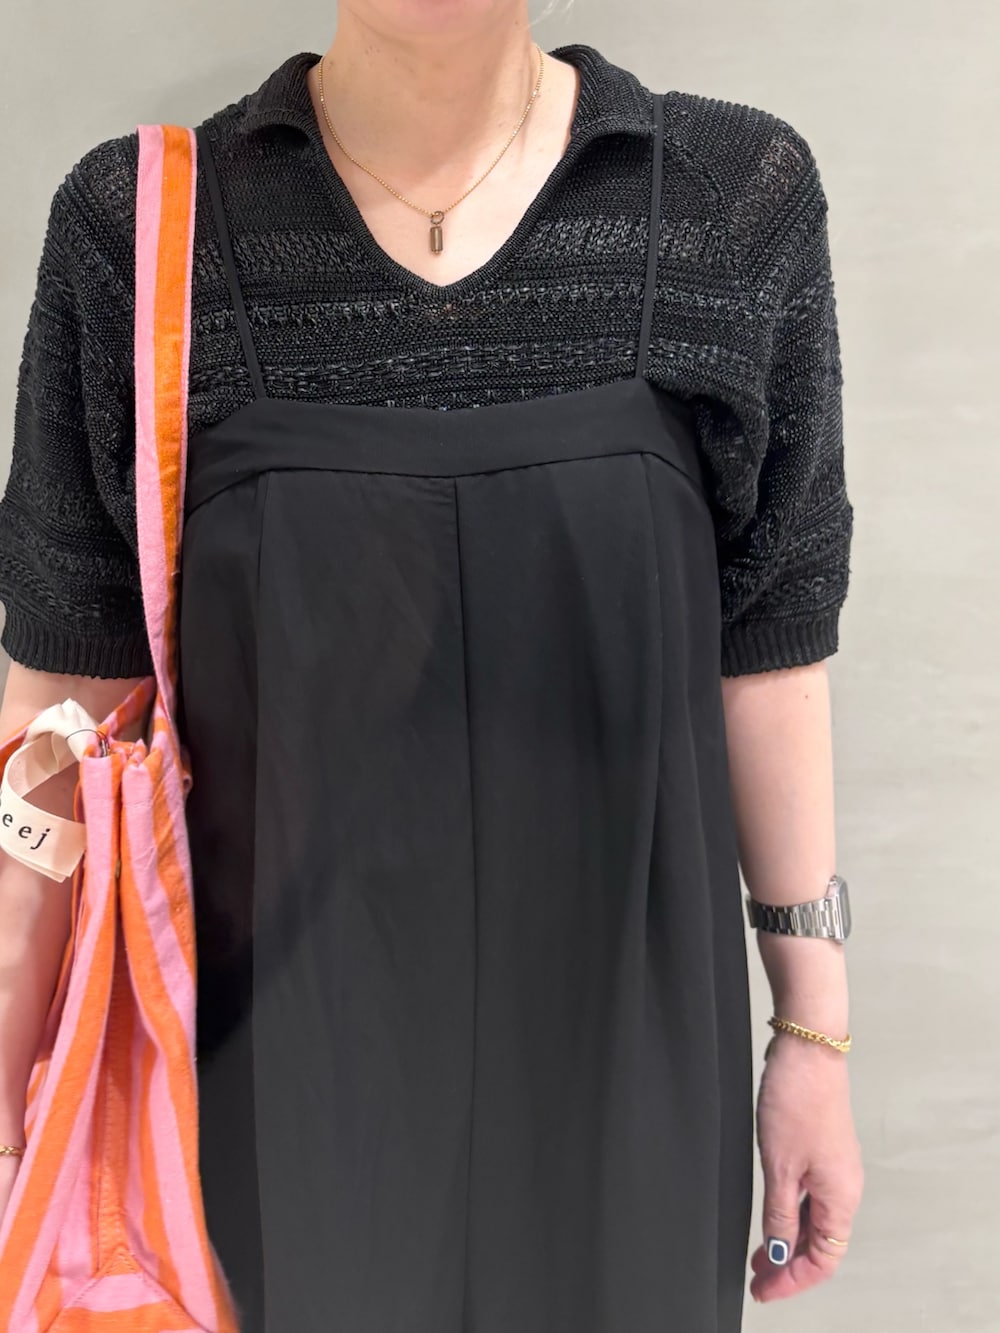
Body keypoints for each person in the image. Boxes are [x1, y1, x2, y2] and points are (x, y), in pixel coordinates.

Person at [0, 1, 864, 1329]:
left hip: (627, 1061)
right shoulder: (144, 227)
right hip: (266, 1081)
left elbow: (771, 642)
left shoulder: (724, 200)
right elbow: (64, 694)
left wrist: (812, 1031)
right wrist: (11, 1074)